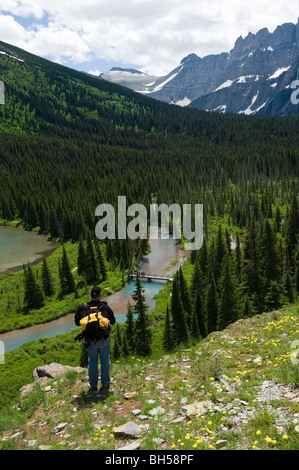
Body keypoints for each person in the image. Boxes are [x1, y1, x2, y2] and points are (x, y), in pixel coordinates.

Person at [75, 286, 116, 394]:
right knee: (105, 360)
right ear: (99, 295)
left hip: (90, 340)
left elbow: (76, 322)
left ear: (90, 295)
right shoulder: (105, 307)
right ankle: (105, 384)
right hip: (104, 339)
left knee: (92, 362)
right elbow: (113, 321)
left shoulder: (83, 307)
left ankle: (93, 385)